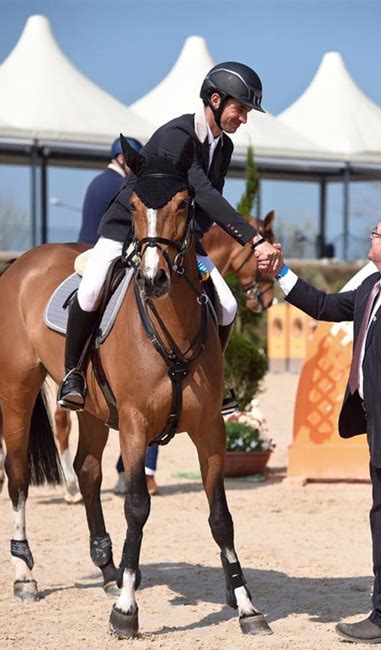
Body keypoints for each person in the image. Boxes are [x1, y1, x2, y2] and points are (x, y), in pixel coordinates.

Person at [263, 213, 381, 645]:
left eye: (378, 233)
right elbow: (326, 306)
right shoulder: (373, 287)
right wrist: (282, 274)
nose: (371, 236)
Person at [57, 61, 280, 415]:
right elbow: (204, 193)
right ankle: (73, 375)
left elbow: (203, 207)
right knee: (91, 287)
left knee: (228, 304)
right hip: (130, 227)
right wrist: (253, 239)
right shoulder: (179, 137)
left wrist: (194, 243)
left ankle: (213, 380)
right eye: (241, 109)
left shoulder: (223, 148)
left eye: (248, 112)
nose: (244, 119)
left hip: (177, 237)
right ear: (217, 100)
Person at [77, 135, 159, 496]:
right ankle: (75, 370)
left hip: (86, 251)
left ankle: (74, 367)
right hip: (105, 250)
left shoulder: (100, 180)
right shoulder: (117, 184)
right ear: (126, 159)